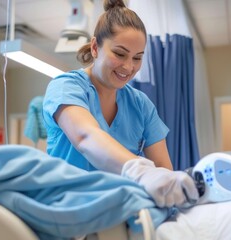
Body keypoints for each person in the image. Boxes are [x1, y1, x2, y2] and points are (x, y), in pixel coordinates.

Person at [43, 0, 198, 208]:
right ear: (95, 47)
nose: (129, 66)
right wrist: (140, 171)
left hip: (118, 212)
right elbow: (86, 137)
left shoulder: (140, 105)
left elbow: (163, 167)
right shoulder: (66, 87)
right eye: (120, 53)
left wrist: (169, 186)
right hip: (67, 207)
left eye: (137, 58)